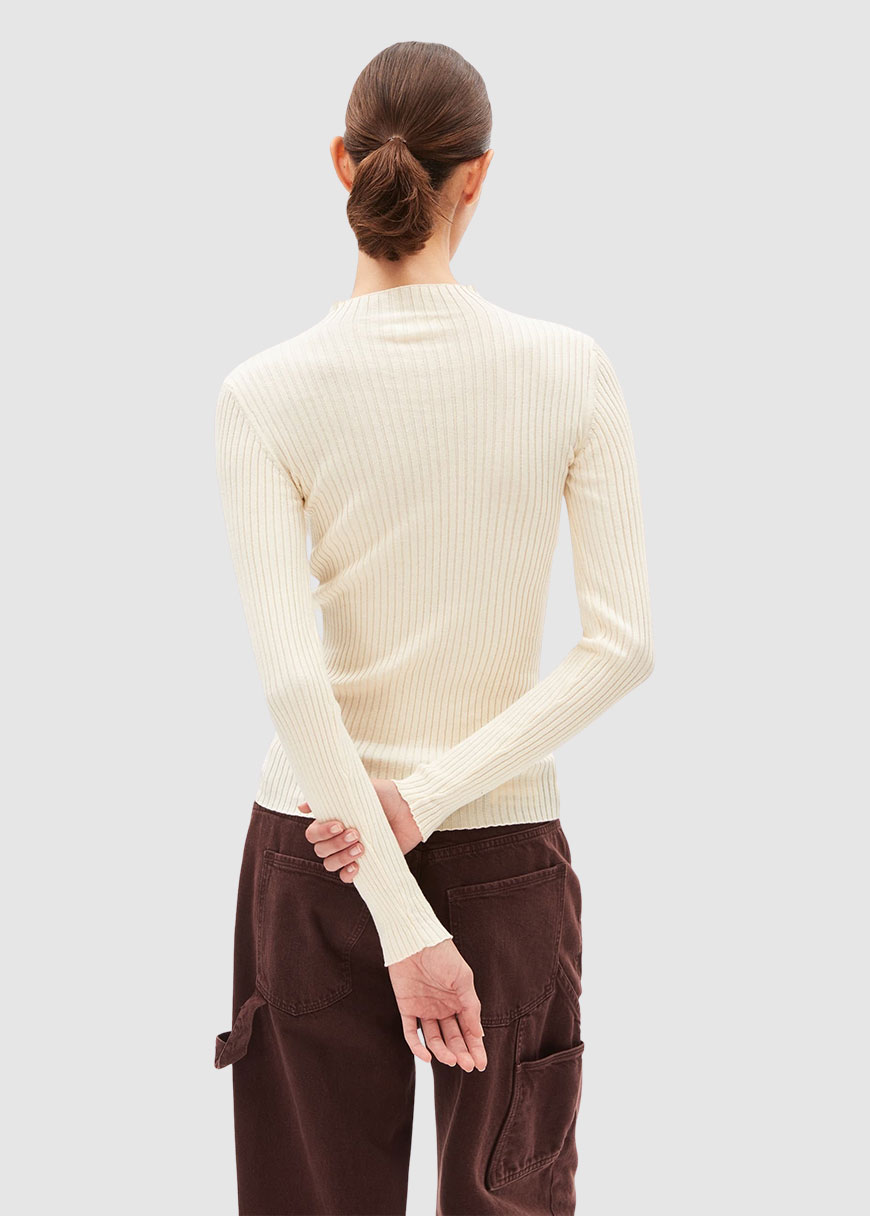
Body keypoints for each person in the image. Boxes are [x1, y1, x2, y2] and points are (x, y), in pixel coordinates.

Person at [213, 39, 654, 1216]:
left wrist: (387, 869)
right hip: (500, 858)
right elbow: (622, 645)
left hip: (315, 851)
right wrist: (429, 810)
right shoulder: (571, 370)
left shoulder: (264, 391)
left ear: (342, 163)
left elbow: (294, 684)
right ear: (480, 177)